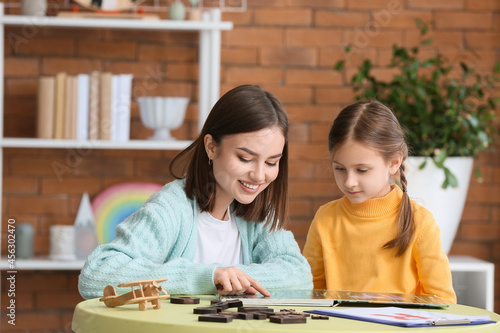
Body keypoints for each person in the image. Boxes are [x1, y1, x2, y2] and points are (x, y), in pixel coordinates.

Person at [78, 85, 313, 299]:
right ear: (211, 147)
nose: (260, 176)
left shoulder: (261, 211)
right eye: (245, 158)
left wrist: (232, 277)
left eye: (272, 162)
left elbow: (299, 277)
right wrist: (207, 277)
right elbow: (97, 275)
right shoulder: (172, 207)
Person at [303, 100, 456, 303]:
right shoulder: (325, 218)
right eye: (340, 168)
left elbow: (442, 301)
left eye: (362, 170)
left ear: (394, 163)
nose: (349, 181)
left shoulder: (421, 223)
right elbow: (310, 293)